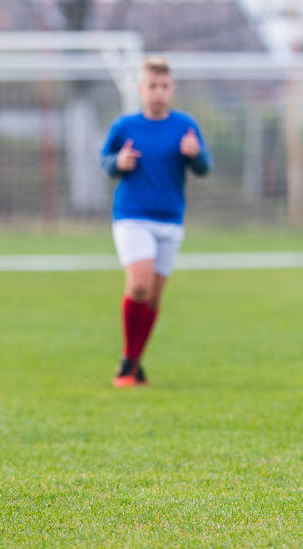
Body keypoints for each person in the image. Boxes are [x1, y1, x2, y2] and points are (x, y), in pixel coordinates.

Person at [99, 56, 211, 387]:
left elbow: (204, 168)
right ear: (141, 89)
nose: (158, 92)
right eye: (152, 86)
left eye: (164, 86)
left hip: (170, 220)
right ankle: (128, 364)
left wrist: (196, 155)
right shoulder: (125, 126)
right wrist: (118, 162)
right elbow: (105, 161)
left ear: (172, 89)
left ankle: (133, 362)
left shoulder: (185, 125)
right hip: (132, 216)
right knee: (138, 286)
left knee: (154, 297)